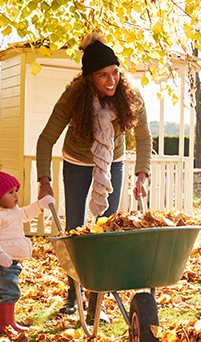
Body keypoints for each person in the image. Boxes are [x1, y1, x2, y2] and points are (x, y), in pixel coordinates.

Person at [36, 32, 152, 323]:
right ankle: (73, 295)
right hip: (77, 162)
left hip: (112, 161)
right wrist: (44, 181)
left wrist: (142, 174)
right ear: (89, 78)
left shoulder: (130, 96)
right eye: (103, 76)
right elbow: (45, 140)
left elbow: (143, 136)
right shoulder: (73, 98)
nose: (111, 80)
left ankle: (95, 302)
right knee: (75, 229)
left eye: (115, 72)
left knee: (106, 231)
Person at [0, 159, 55, 334]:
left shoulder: (9, 210)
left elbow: (25, 214)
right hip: (0, 262)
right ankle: (7, 325)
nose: (16, 195)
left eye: (16, 191)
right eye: (10, 192)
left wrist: (40, 205)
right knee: (9, 293)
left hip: (5, 260)